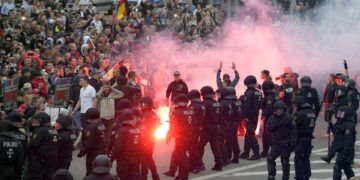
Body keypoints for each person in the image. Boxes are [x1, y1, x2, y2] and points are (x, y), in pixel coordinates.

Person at [166, 94, 198, 180]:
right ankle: (179, 174)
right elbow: (195, 124)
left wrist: (168, 136)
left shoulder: (177, 112)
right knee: (178, 154)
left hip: (181, 137)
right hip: (190, 137)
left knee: (182, 157)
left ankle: (184, 176)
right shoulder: (191, 110)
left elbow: (173, 126)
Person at [266, 101, 297, 180]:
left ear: (284, 110)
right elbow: (268, 129)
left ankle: (285, 177)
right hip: (276, 144)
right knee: (270, 158)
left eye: (281, 109)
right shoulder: (272, 118)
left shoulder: (289, 118)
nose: (279, 111)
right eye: (278, 109)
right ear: (275, 110)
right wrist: (276, 125)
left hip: (285, 144)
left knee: (285, 161)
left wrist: (292, 144)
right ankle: (271, 175)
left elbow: (294, 131)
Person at [321, 85, 350, 163]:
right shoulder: (337, 99)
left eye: (340, 92)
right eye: (337, 92)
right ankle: (330, 156)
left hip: (345, 122)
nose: (338, 93)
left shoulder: (346, 100)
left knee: (342, 141)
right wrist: (331, 110)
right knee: (337, 140)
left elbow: (345, 110)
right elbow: (334, 107)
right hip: (339, 121)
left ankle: (332, 156)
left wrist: (336, 113)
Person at [197, 86, 223, 171]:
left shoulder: (204, 104)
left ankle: (199, 164)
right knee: (215, 146)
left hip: (207, 128)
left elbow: (202, 117)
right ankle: (219, 164)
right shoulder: (217, 103)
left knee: (200, 147)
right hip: (216, 127)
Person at [111, 109, 142, 180]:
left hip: (124, 161)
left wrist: (111, 159)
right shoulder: (138, 131)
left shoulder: (121, 131)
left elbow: (117, 148)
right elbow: (142, 147)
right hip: (135, 160)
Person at [27, 112, 58, 180]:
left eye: (36, 121)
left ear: (41, 120)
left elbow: (34, 144)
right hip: (52, 160)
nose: (35, 123)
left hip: (40, 160)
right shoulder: (54, 130)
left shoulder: (40, 131)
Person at [96, 81, 124, 154]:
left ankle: (107, 151)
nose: (107, 88)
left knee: (108, 137)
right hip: (102, 119)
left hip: (111, 118)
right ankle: (101, 151)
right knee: (102, 136)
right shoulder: (100, 96)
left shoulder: (112, 95)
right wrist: (102, 89)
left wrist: (112, 88)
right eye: (105, 87)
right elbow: (97, 96)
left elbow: (121, 94)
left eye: (108, 87)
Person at [293, 96, 317, 180]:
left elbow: (294, 127)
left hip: (300, 139)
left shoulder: (299, 114)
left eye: (295, 105)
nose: (294, 107)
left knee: (299, 158)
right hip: (308, 139)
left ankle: (300, 176)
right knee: (306, 158)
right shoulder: (312, 112)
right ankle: (306, 175)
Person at [239, 75, 262, 160]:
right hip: (255, 114)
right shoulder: (258, 92)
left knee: (251, 134)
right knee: (248, 133)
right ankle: (246, 152)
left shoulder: (248, 92)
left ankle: (256, 153)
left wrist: (241, 116)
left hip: (249, 115)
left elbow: (246, 107)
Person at [77, 108, 105, 176]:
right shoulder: (101, 125)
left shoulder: (91, 127)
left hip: (93, 154)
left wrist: (82, 152)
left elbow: (89, 142)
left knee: (91, 173)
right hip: (101, 152)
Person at [331, 105, 356, 180]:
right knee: (347, 169)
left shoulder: (348, 126)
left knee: (337, 167)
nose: (339, 115)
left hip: (345, 151)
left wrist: (345, 153)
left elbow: (349, 141)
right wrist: (331, 125)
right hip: (342, 150)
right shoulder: (342, 123)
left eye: (341, 113)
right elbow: (337, 133)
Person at [138, 96, 160, 180]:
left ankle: (144, 178)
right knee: (149, 159)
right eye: (141, 103)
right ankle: (156, 177)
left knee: (144, 160)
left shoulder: (148, 114)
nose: (141, 105)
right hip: (149, 139)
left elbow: (147, 128)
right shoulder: (151, 113)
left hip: (147, 140)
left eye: (143, 104)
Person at [187, 89, 205, 172]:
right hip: (199, 128)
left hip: (193, 130)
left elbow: (189, 119)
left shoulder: (193, 106)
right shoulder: (201, 104)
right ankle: (192, 164)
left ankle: (199, 164)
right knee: (193, 148)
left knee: (192, 148)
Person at [261, 80, 278, 158]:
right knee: (271, 135)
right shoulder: (274, 95)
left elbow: (269, 108)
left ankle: (266, 152)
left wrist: (264, 114)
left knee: (266, 136)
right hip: (274, 118)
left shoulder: (269, 97)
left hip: (270, 119)